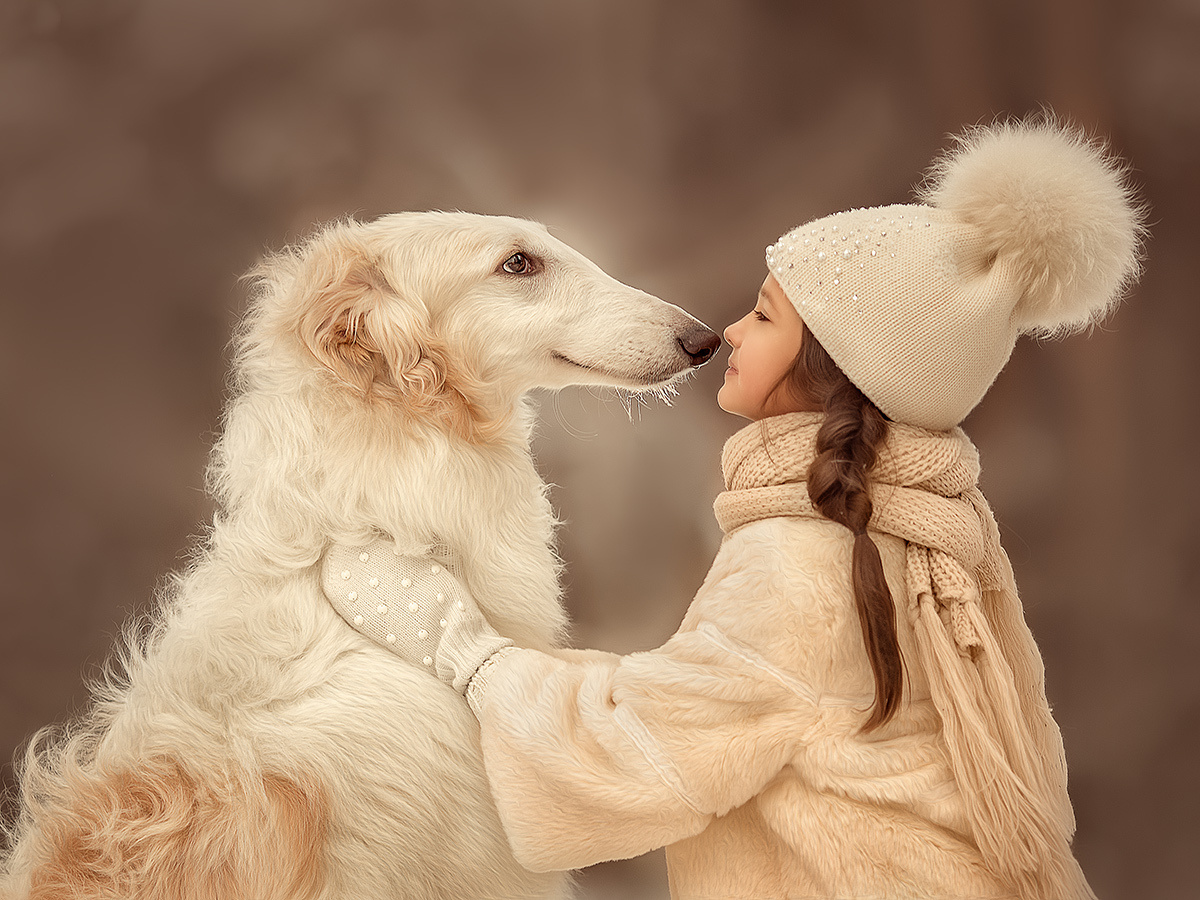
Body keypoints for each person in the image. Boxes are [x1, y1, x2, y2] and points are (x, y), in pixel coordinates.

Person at [321, 118, 1143, 899]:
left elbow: (642, 757)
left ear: (831, 362)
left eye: (764, 316)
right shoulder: (916, 535)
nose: (728, 333)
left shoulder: (804, 560)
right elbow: (713, 697)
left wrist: (462, 649)